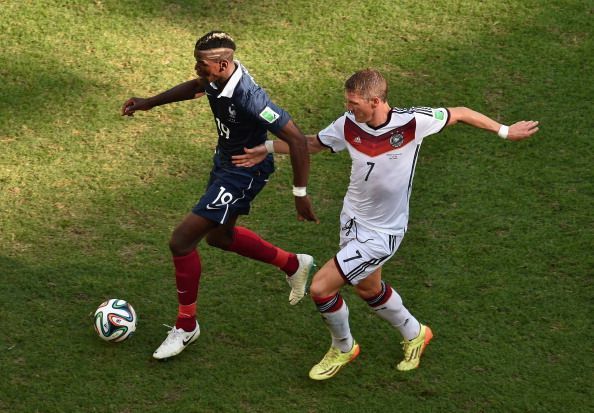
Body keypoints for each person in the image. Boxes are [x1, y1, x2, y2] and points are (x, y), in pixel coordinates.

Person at [232, 69, 539, 380]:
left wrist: (504, 131)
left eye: (354, 103)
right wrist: (267, 148)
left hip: (382, 233)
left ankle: (343, 346)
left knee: (321, 288)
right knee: (368, 288)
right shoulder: (349, 123)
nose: (349, 108)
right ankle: (415, 332)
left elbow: (459, 113)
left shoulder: (413, 122)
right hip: (351, 220)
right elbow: (312, 144)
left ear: (375, 100)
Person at [121, 31, 318, 360]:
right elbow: (198, 87)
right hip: (225, 162)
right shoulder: (216, 77)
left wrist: (300, 194)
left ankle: (186, 326)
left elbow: (297, 140)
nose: (197, 69)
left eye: (201, 64)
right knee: (220, 238)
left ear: (223, 64)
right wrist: (148, 102)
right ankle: (293, 264)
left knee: (181, 241)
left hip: (244, 172)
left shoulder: (249, 97)